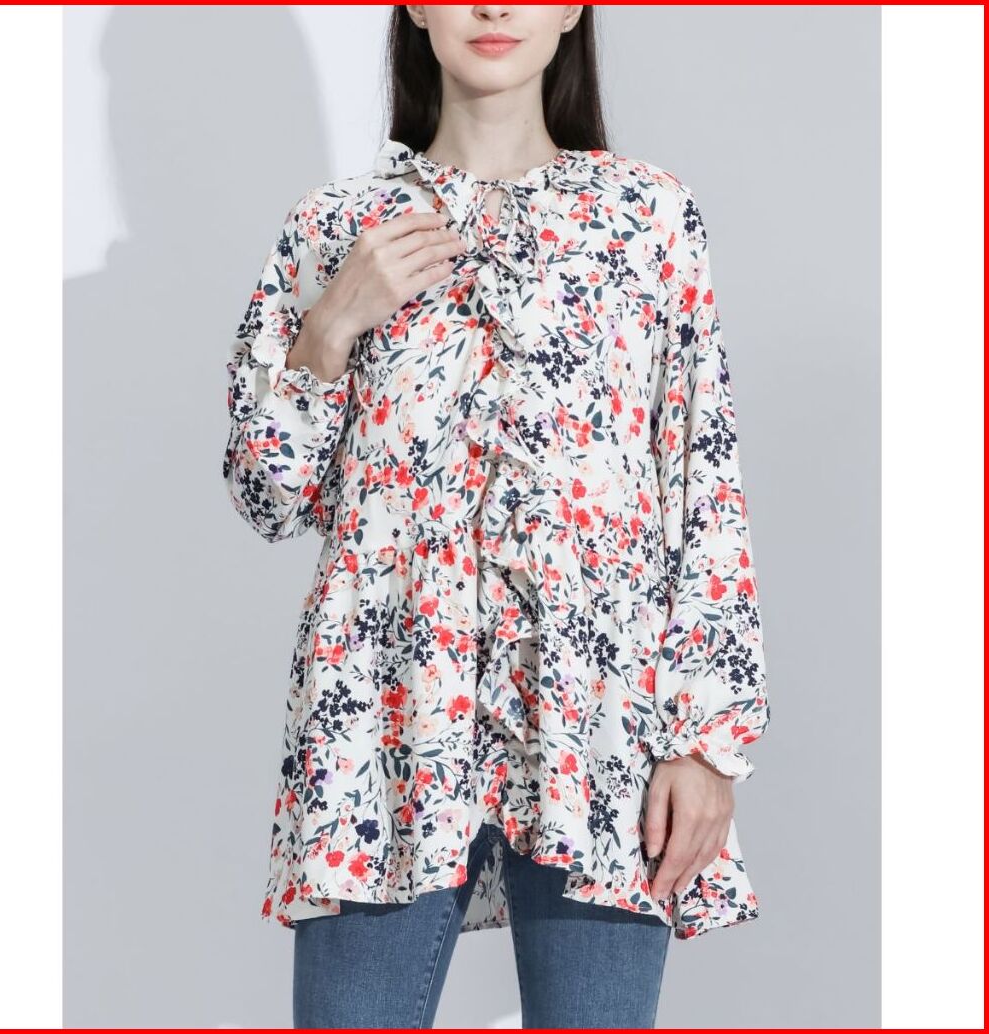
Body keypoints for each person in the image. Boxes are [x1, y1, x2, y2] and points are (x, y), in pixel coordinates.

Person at [222, 5, 770, 1029]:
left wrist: (706, 743)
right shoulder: (336, 227)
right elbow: (268, 495)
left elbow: (702, 481)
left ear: (570, 9)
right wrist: (333, 323)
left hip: (600, 724)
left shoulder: (648, 218)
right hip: (381, 723)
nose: (492, 7)